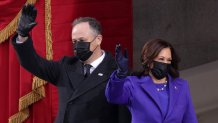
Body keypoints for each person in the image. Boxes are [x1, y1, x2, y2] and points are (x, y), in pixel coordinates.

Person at [12, 4, 130, 123]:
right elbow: (33, 63)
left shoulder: (117, 71)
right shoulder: (66, 66)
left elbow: (124, 116)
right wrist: (22, 36)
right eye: (74, 41)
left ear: (98, 39)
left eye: (82, 40)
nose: (78, 45)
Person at [105, 39, 198, 123]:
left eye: (168, 60)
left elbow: (190, 119)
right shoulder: (133, 84)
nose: (165, 63)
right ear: (149, 61)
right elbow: (113, 97)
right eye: (161, 59)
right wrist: (120, 74)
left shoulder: (181, 86)